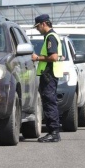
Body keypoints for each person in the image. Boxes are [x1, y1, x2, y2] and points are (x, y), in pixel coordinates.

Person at [31, 14, 63, 142]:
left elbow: (54, 57)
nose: (37, 29)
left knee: (50, 103)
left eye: (38, 26)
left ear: (44, 24)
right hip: (50, 74)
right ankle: (53, 132)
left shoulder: (50, 37)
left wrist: (37, 58)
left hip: (49, 74)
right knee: (50, 103)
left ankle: (53, 132)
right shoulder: (51, 36)